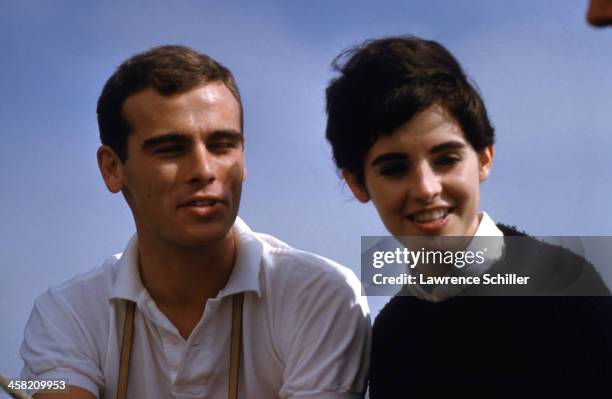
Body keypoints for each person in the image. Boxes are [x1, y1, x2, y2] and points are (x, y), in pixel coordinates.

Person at [20, 45, 371, 399]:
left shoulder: (321, 295)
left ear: (244, 158)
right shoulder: (64, 312)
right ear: (112, 169)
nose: (203, 170)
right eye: (170, 149)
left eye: (222, 146)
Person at [325, 36, 612, 397]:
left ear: (485, 158)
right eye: (395, 168)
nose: (426, 188)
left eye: (446, 159)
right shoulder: (390, 338)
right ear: (357, 183)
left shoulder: (567, 291)